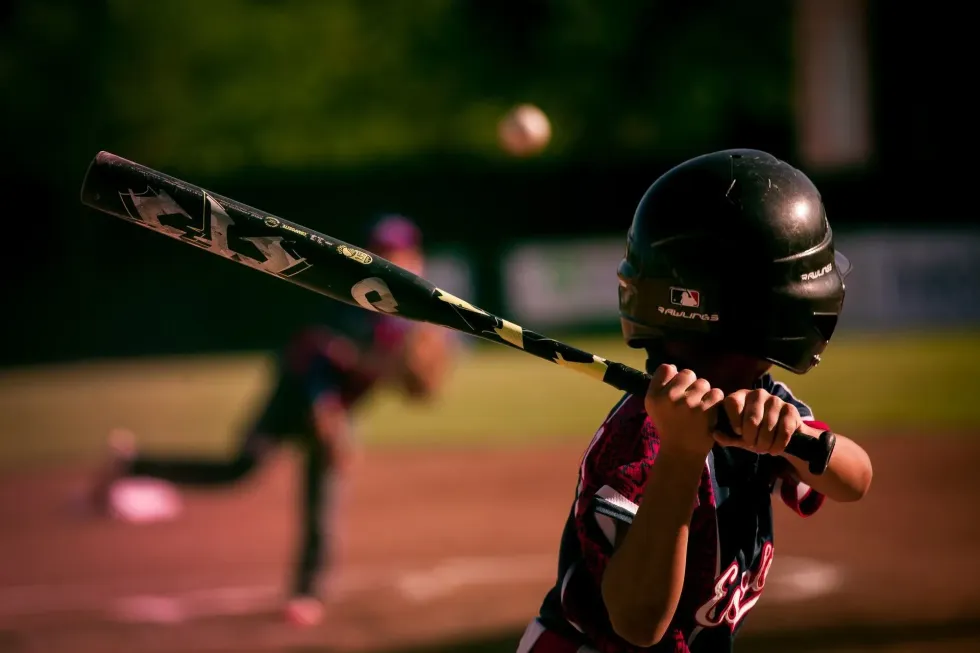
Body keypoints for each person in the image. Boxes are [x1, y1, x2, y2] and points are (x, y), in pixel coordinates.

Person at [516, 149, 874, 653]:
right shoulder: (636, 443)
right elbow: (638, 623)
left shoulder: (762, 400)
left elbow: (855, 480)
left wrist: (791, 439)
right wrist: (682, 455)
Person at [93, 213, 455, 627]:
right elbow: (315, 353)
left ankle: (307, 592)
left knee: (323, 495)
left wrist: (416, 372)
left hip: (338, 408)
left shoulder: (415, 313)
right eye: (386, 251)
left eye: (404, 251)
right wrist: (325, 409)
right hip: (295, 394)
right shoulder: (351, 298)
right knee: (239, 468)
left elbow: (415, 381)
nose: (396, 258)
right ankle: (136, 465)